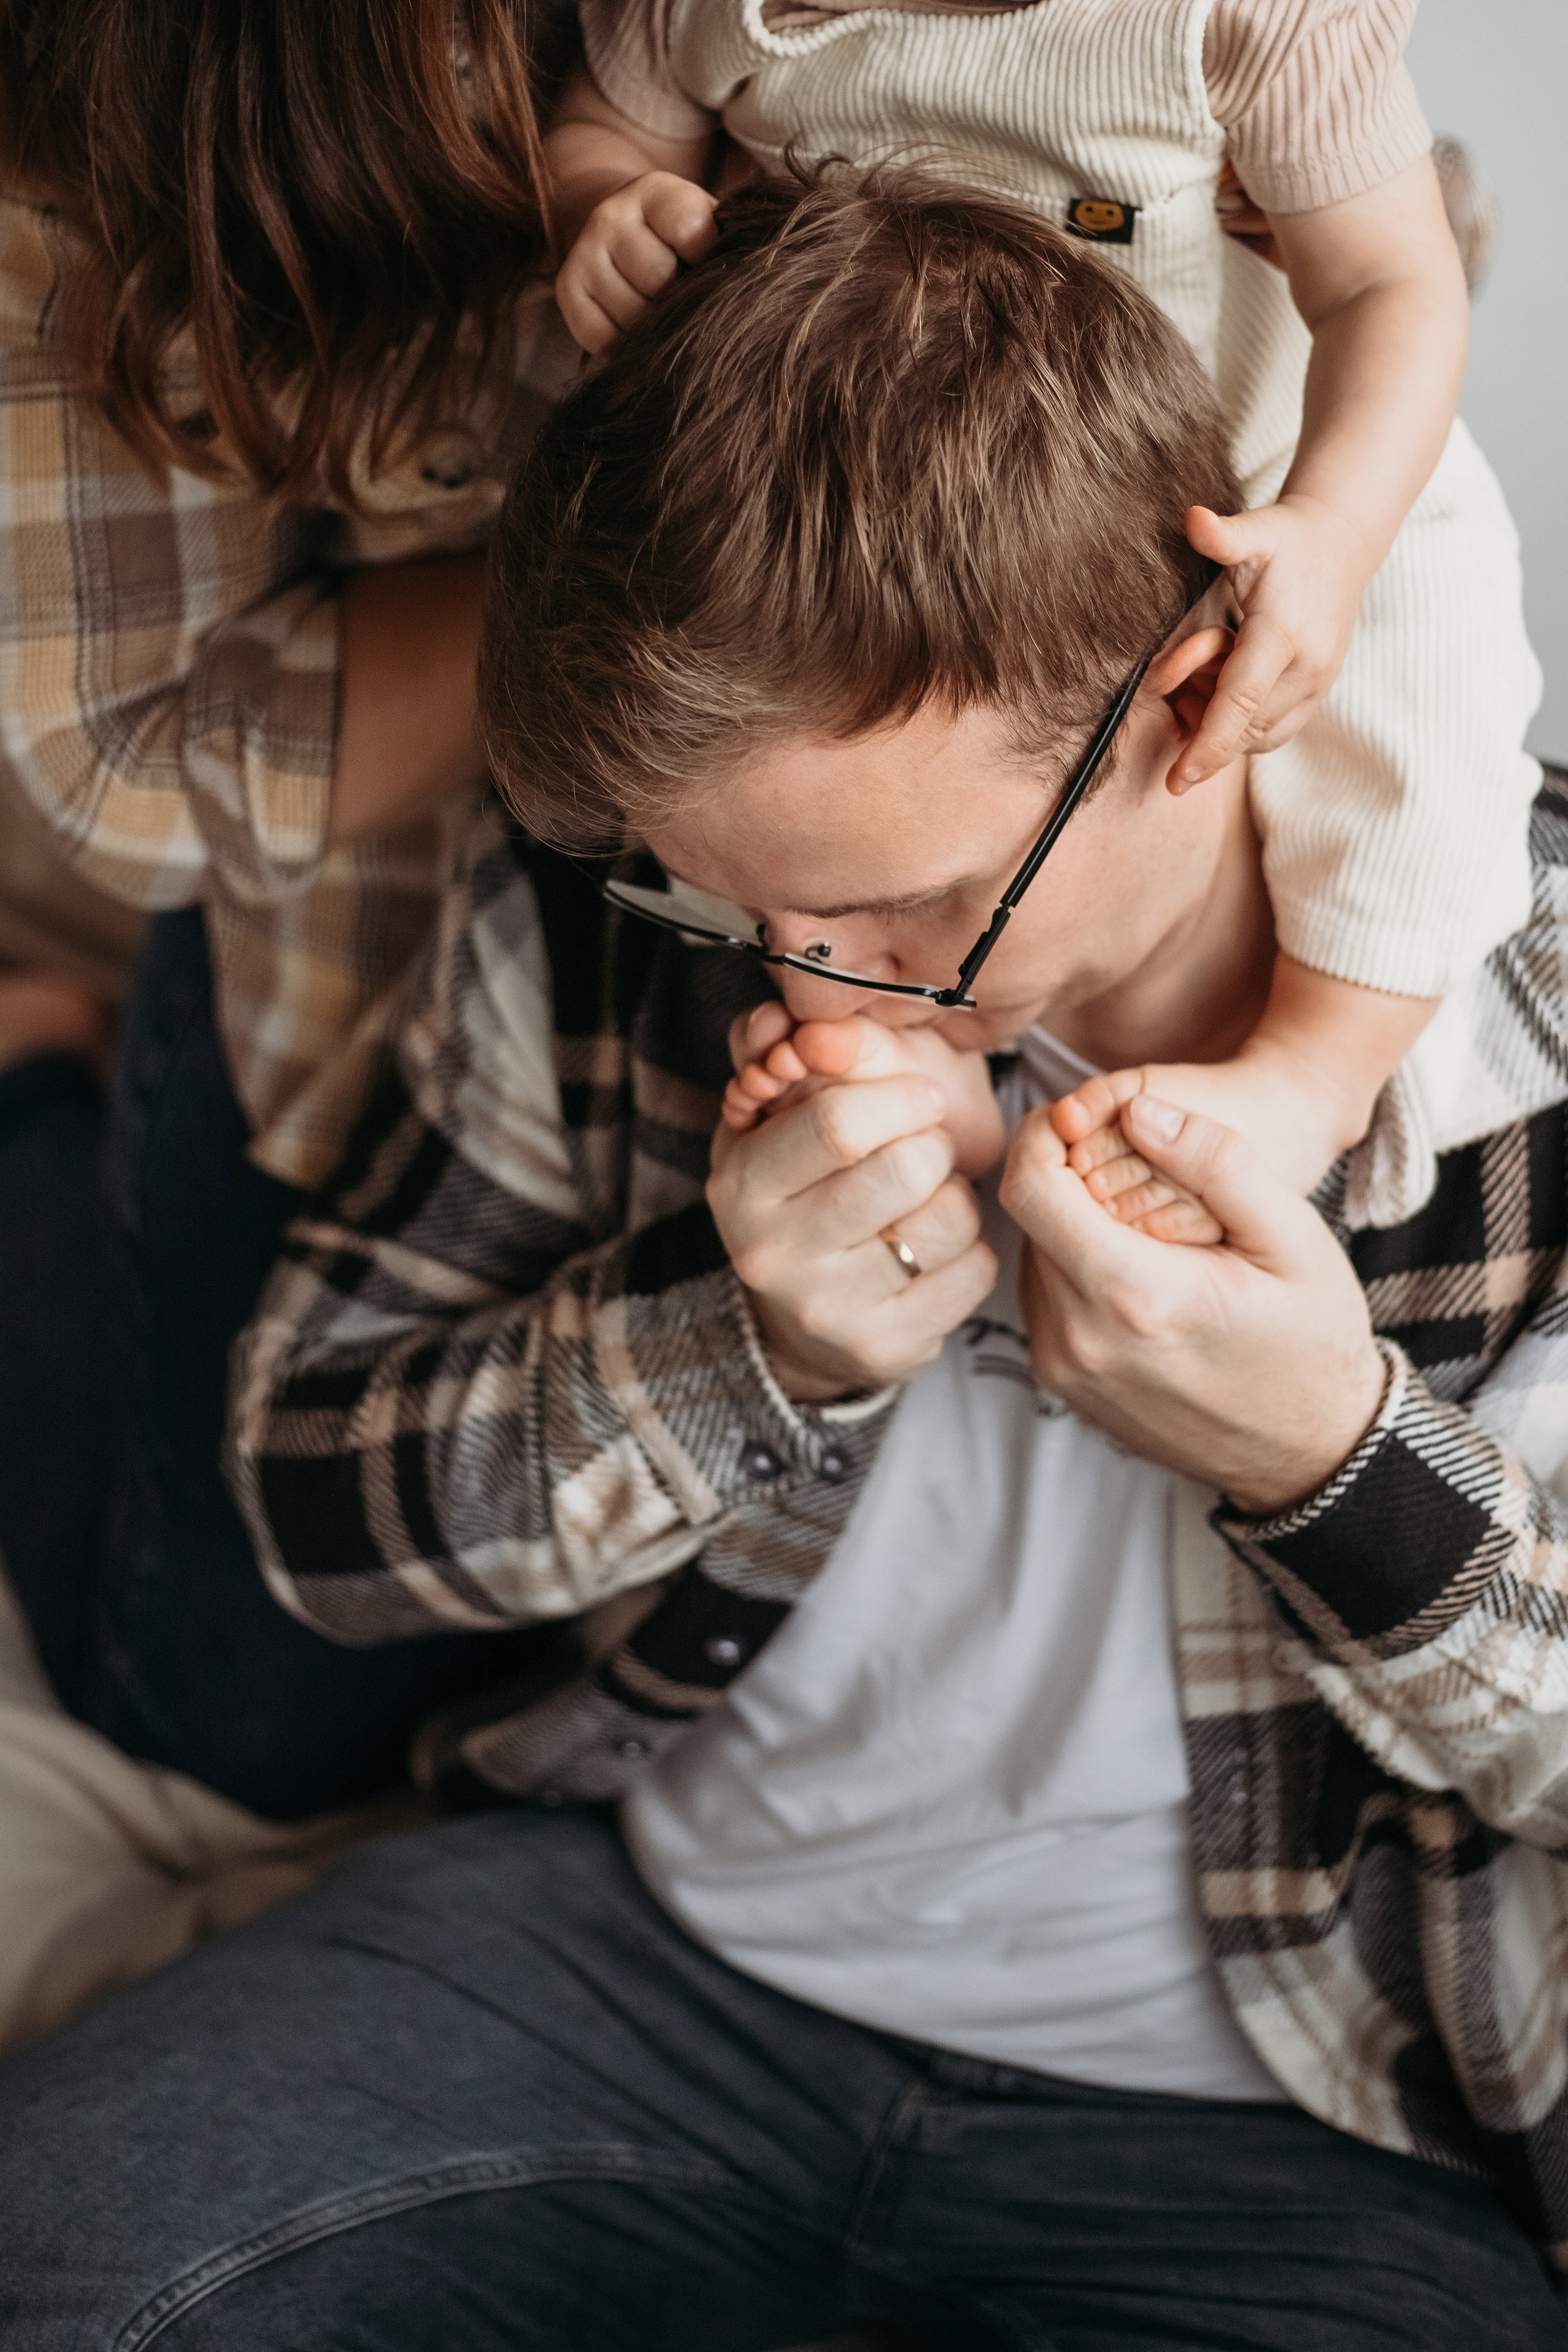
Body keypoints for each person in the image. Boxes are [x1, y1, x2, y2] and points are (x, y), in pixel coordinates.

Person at [4, 175, 1565, 2348]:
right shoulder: (637, 911)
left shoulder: (1540, 1012)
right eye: (744, 917)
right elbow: (306, 1502)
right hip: (651, 1951)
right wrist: (752, 1355)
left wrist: (1337, 1465)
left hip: (1301, 2119)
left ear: (1207, 688)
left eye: (921, 913)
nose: (822, 997)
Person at [541, 0, 1542, 1216]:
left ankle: (1318, 1069)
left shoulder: (1247, 22)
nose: (798, 991)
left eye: (911, 911)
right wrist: (604, 207)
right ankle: (948, 1077)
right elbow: (601, 135)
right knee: (833, 804)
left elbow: (1390, 277)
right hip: (879, 518)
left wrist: (1334, 525)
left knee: (1423, 680)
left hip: (1269, 469)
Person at [0, 0, 581, 1805]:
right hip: (349, 1013)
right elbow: (123, 761)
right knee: (218, 1739)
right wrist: (641, 558)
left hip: (687, 1045)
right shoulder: (110, 105)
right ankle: (30, 1100)